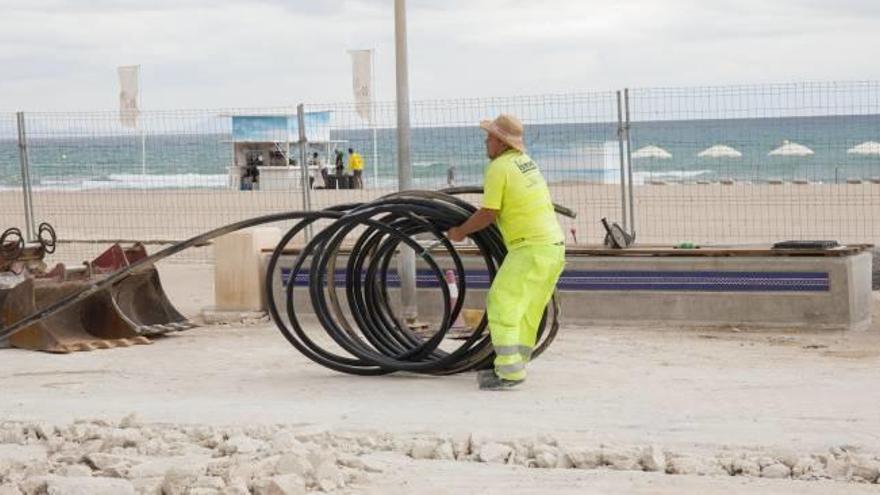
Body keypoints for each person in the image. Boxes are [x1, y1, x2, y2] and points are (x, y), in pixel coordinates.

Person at [447, 114, 565, 391]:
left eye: (489, 137)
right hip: (553, 248)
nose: (486, 142)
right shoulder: (526, 163)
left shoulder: (499, 167)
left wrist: (460, 231)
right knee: (527, 311)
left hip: (530, 248)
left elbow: (489, 213)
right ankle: (514, 366)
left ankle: (509, 374)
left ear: (500, 142)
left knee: (501, 302)